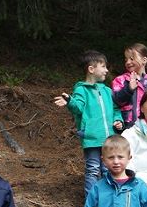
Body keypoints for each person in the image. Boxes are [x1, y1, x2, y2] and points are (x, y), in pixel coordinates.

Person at [53, 50, 124, 196]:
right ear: (91, 69)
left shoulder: (107, 91)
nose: (106, 70)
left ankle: (109, 198)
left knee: (107, 169)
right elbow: (78, 108)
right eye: (103, 66)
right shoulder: (81, 89)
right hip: (91, 138)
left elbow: (116, 109)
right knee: (93, 169)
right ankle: (91, 201)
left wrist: (118, 120)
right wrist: (69, 101)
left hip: (109, 139)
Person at [111, 43, 147, 129]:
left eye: (132, 59)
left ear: (144, 60)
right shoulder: (120, 80)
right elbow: (116, 101)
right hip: (128, 127)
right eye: (126, 60)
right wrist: (128, 89)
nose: (128, 62)